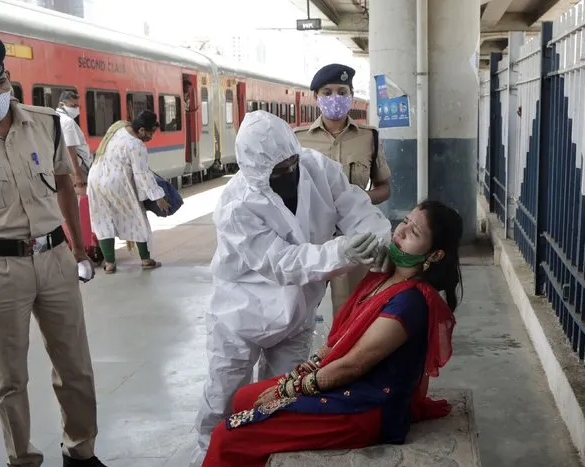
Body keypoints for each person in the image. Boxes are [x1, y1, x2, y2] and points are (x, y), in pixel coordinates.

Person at [191, 110, 393, 466]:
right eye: (278, 172)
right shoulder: (236, 205)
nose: (289, 173)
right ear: (255, 172)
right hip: (240, 317)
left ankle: (263, 457)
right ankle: (210, 456)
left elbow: (357, 208)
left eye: (290, 163)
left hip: (298, 313)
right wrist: (340, 249)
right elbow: (282, 263)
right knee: (224, 395)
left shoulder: (316, 167)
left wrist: (377, 243)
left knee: (279, 397)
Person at [0, 30, 106, 467]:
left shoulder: (46, 123)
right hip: (0, 268)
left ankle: (80, 451)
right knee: (10, 378)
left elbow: (63, 185)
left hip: (55, 258)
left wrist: (77, 249)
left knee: (75, 366)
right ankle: (22, 459)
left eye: (0, 82)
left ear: (7, 75)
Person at [202, 200, 463, 467]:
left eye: (414, 233)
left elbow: (353, 364)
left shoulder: (411, 301)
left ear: (435, 256)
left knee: (227, 435)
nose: (401, 231)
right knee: (244, 398)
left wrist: (289, 389)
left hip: (366, 407)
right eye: (406, 221)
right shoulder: (383, 277)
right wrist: (301, 374)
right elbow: (340, 342)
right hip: (348, 386)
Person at [294, 63, 393, 321]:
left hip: (354, 240)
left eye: (341, 91)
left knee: (349, 311)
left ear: (350, 95)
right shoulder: (298, 139)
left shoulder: (368, 137)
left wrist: (353, 202)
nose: (334, 98)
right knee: (299, 309)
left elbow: (385, 189)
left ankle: (340, 357)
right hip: (311, 239)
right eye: (327, 92)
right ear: (315, 97)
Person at [87, 110, 170, 273]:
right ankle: (146, 259)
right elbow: (142, 173)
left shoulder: (117, 127)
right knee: (136, 216)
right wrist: (158, 196)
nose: (150, 137)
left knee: (103, 220)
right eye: (150, 133)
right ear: (141, 130)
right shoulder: (136, 145)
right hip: (117, 182)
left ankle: (110, 264)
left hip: (95, 178)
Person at [56, 90, 102, 265]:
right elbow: (71, 149)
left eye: (78, 106)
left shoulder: (56, 117)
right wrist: (78, 175)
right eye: (73, 105)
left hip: (64, 170)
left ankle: (75, 244)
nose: (77, 109)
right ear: (63, 103)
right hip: (78, 170)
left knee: (67, 209)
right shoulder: (67, 122)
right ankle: (85, 245)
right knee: (80, 207)